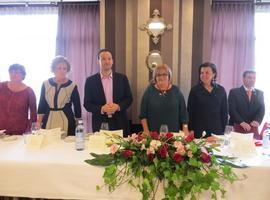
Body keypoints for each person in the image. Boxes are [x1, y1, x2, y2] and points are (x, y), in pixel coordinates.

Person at [84, 49, 133, 137]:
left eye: (109, 59)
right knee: (100, 149)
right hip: (100, 122)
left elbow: (129, 98)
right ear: (98, 61)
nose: (107, 61)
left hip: (120, 122)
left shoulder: (122, 78)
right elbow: (87, 104)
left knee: (121, 149)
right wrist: (102, 109)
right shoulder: (90, 81)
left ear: (112, 61)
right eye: (103, 59)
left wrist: (118, 106)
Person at [37, 56, 81, 136]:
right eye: (59, 68)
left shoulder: (72, 85)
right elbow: (42, 104)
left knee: (66, 145)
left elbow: (77, 107)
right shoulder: (45, 84)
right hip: (48, 119)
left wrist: (79, 124)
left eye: (64, 68)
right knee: (48, 144)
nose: (62, 71)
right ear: (53, 69)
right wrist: (39, 122)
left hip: (67, 119)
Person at [139, 64, 188, 134]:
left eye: (164, 74)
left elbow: (184, 114)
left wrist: (185, 129)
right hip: (153, 135)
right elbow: (143, 115)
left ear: (169, 76)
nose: (161, 77)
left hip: (173, 135)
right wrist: (146, 130)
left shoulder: (176, 91)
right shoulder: (149, 91)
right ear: (155, 77)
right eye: (158, 75)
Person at [187, 62, 228, 138]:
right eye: (202, 73)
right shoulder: (195, 90)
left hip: (217, 130)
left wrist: (224, 130)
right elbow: (190, 111)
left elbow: (224, 112)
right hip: (199, 130)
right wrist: (191, 129)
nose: (203, 75)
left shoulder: (221, 90)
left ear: (214, 74)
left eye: (207, 73)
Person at [0, 64, 37, 135]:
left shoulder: (29, 92)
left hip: (20, 132)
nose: (13, 74)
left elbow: (33, 115)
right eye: (11, 72)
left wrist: (30, 131)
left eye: (17, 72)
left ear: (23, 75)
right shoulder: (1, 86)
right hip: (1, 130)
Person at [228, 70, 265, 139]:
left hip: (252, 128)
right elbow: (231, 109)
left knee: (253, 148)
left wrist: (257, 120)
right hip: (237, 126)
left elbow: (262, 109)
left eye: (254, 78)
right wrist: (241, 122)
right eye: (249, 77)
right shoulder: (234, 92)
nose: (252, 80)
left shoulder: (260, 93)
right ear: (243, 78)